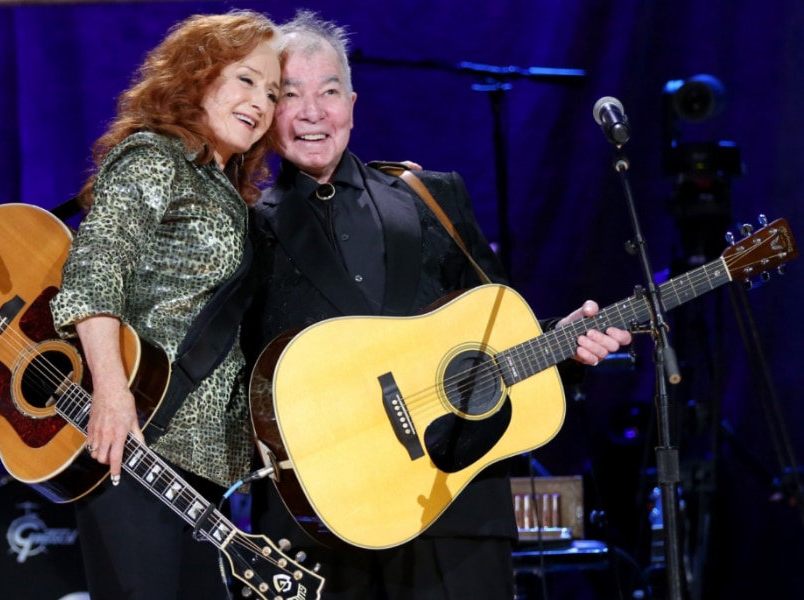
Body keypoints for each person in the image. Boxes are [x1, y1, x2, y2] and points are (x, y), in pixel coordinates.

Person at [243, 10, 633, 600]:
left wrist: (566, 340)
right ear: (269, 110)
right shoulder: (246, 227)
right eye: (291, 94)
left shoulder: (432, 197)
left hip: (455, 508)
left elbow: (495, 331)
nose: (312, 112)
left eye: (329, 91)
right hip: (322, 521)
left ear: (353, 104)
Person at [48, 10, 282, 599]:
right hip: (135, 444)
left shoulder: (229, 194)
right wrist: (110, 392)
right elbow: (96, 268)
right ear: (198, 75)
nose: (261, 102)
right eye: (246, 79)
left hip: (204, 471)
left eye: (273, 93)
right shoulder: (155, 157)